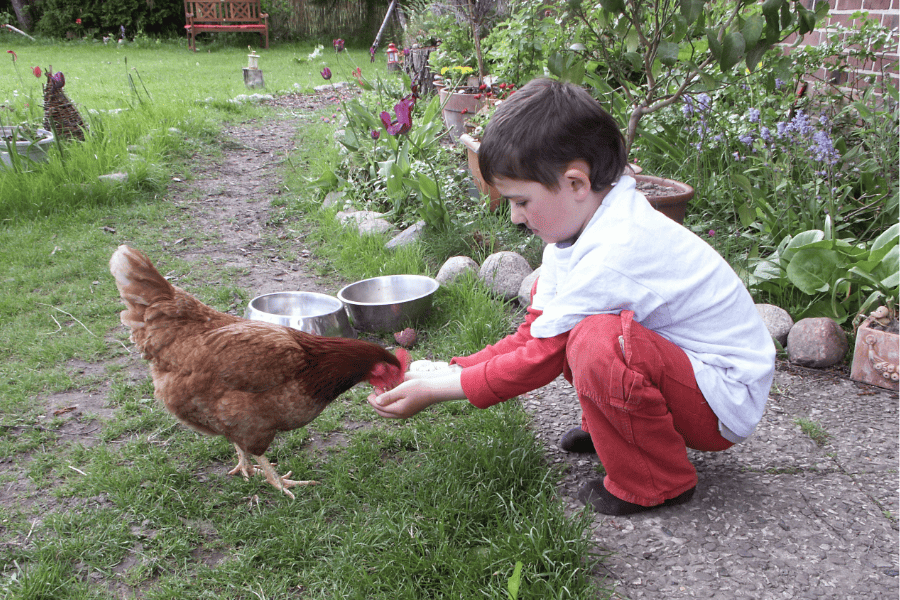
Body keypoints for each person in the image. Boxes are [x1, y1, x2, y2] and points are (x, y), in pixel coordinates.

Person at [368, 78, 775, 516]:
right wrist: (453, 369)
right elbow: (535, 331)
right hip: (688, 374)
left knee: (596, 340)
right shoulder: (578, 233)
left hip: (721, 402)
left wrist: (438, 391)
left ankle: (656, 480)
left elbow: (540, 358)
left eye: (521, 201)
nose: (515, 217)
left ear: (576, 183)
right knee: (573, 324)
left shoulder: (615, 250)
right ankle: (615, 432)